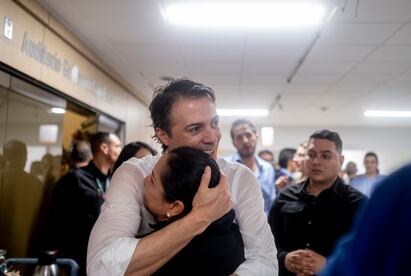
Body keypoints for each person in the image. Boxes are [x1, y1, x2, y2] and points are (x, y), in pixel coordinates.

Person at [87, 78, 277, 275]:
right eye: (195, 129)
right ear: (163, 135)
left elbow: (264, 259)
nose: (212, 137)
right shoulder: (135, 174)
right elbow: (100, 269)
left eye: (214, 123)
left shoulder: (239, 178)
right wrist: (201, 217)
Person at [268, 129, 366, 276]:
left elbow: (369, 254)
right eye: (311, 155)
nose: (316, 162)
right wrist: (285, 259)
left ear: (341, 160)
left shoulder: (358, 204)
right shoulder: (284, 198)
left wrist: (328, 264)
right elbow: (264, 247)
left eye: (326, 156)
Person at [143, 147, 245, 275]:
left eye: (152, 180)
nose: (145, 179)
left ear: (175, 207)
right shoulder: (235, 236)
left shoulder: (150, 259)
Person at [321, 161, 411, 276]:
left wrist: (324, 265)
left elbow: (357, 257)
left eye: (326, 157)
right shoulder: (359, 182)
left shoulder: (401, 185)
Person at [48, 132, 122, 275]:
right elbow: (57, 221)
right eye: (117, 146)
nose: (120, 149)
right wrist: (61, 262)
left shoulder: (113, 180)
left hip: (105, 257)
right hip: (76, 258)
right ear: (105, 148)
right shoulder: (75, 179)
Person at [226, 118, 276, 214]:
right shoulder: (226, 167)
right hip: (234, 227)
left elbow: (270, 201)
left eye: (248, 135)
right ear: (234, 142)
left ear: (256, 137)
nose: (245, 141)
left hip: (264, 226)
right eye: (239, 137)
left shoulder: (267, 168)